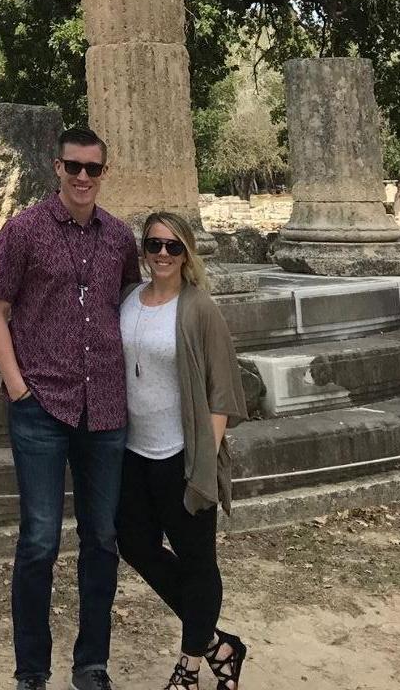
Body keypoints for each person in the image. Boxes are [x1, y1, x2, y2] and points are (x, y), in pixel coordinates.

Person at [0, 125, 142, 690]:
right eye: (74, 166)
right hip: (42, 404)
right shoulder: (22, 231)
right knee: (40, 541)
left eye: (93, 169)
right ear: (57, 167)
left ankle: (92, 663)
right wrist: (18, 388)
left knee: (101, 539)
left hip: (104, 409)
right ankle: (32, 670)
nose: (82, 177)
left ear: (104, 173)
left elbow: (130, 300)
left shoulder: (119, 237)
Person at [115, 210, 251, 688]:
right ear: (144, 251)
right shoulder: (130, 299)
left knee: (197, 562)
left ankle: (189, 665)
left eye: (174, 247)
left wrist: (205, 459)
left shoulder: (198, 308)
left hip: (183, 452)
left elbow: (223, 391)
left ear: (187, 252)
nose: (164, 255)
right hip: (135, 452)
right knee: (134, 545)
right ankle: (220, 645)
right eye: (155, 245)